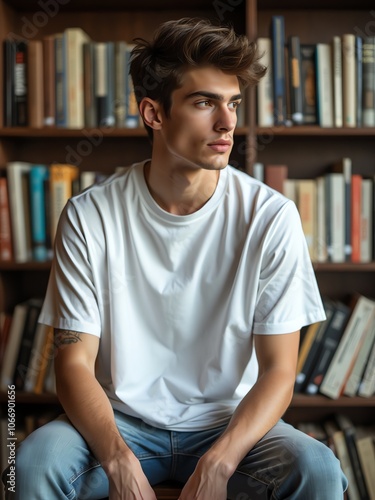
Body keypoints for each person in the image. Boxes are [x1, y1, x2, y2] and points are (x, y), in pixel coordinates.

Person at [3, 17, 347, 500]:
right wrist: (119, 462)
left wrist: (219, 464)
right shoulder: (89, 215)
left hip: (230, 426)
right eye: (205, 102)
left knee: (319, 469)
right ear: (154, 113)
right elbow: (73, 363)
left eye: (233, 103)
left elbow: (278, 372)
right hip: (120, 422)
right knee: (35, 462)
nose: (227, 122)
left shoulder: (271, 217)